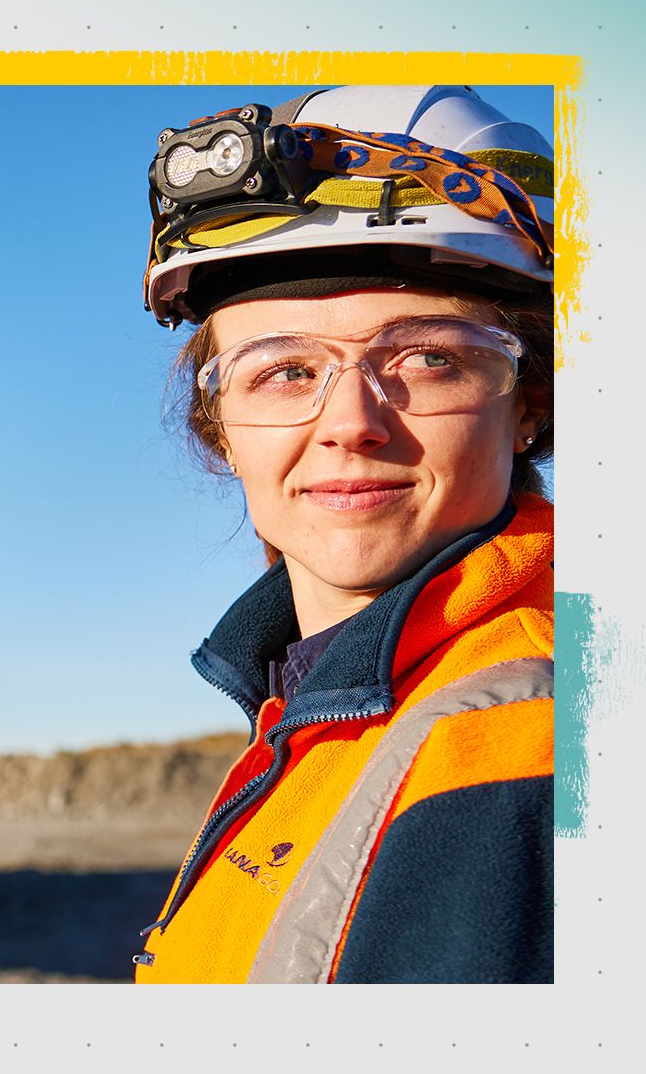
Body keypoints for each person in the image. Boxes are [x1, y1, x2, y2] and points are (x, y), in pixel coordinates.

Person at [132, 86, 555, 983]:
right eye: (284, 371)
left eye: (430, 358)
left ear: (531, 406)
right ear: (224, 431)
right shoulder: (312, 699)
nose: (350, 423)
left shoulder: (536, 740)